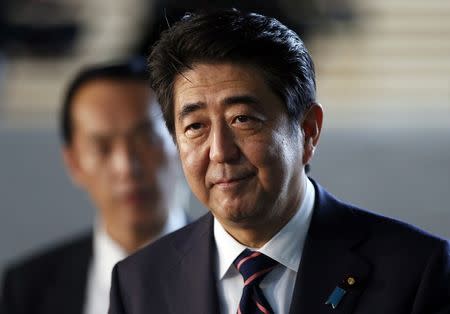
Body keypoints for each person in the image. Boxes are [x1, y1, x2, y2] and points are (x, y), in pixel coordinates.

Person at [108, 11, 450, 314]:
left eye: (242, 119)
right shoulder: (138, 285)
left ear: (308, 130)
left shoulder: (416, 271)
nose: (220, 151)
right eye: (195, 126)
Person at [0, 59, 188, 314]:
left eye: (146, 139)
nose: (126, 167)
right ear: (74, 163)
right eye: (102, 147)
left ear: (180, 143)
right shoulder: (27, 288)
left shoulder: (234, 267)